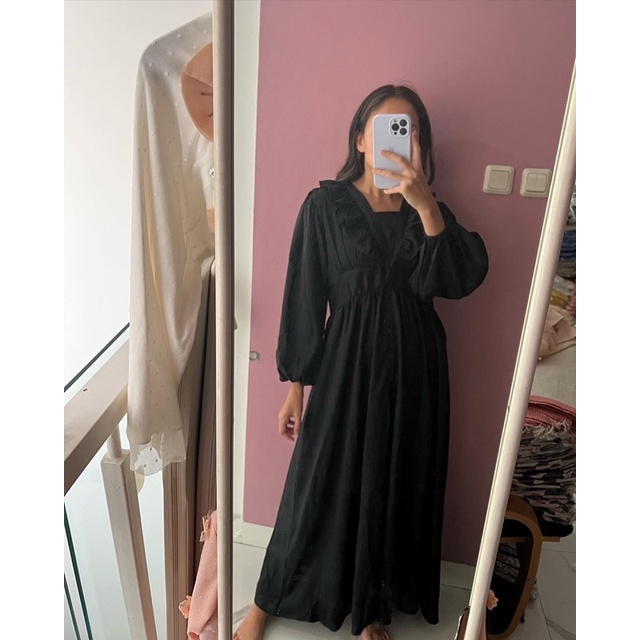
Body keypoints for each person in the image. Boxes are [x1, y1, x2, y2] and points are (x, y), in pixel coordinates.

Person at [233, 84, 489, 640]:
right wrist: (296, 387)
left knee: (396, 480)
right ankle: (264, 602)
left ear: (420, 145)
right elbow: (305, 297)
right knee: (316, 481)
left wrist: (425, 205)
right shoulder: (324, 207)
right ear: (361, 139)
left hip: (417, 370)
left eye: (409, 131)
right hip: (345, 368)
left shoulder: (430, 211)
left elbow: (460, 278)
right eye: (385, 128)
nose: (397, 139)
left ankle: (372, 607)